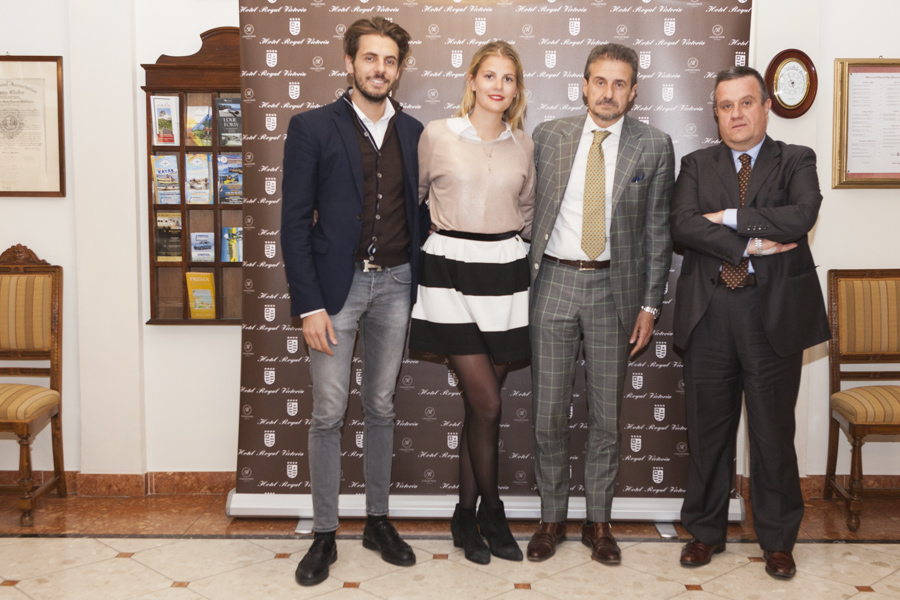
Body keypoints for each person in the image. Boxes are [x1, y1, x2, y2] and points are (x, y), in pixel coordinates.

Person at [280, 16, 428, 587]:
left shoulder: (414, 132)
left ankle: (377, 521)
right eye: (370, 58)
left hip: (396, 284)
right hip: (333, 292)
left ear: (399, 69)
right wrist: (308, 305)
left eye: (389, 60)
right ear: (349, 63)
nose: (379, 69)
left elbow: (421, 214)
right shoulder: (312, 127)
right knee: (328, 411)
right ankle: (324, 532)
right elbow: (294, 223)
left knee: (382, 405)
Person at [670, 66, 830, 579]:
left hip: (773, 315)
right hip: (710, 313)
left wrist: (727, 218)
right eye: (725, 106)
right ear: (715, 113)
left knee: (772, 435)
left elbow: (800, 216)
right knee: (708, 433)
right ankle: (705, 532)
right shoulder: (697, 164)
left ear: (765, 106)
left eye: (745, 102)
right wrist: (753, 244)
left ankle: (778, 541)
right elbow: (682, 225)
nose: (736, 114)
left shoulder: (796, 159)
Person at [527, 43, 675, 565]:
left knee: (607, 419)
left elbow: (658, 233)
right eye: (599, 81)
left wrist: (650, 307)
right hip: (553, 282)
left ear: (633, 92)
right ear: (584, 85)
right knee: (548, 414)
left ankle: (599, 522)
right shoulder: (548, 136)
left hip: (616, 292)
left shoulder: (654, 146)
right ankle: (551, 519)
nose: (608, 92)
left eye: (619, 84)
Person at [408, 41, 534, 565]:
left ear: (516, 88)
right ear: (472, 80)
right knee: (488, 404)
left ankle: (464, 515)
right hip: (449, 275)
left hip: (505, 275)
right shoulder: (437, 134)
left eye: (508, 78)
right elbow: (415, 198)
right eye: (490, 75)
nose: (498, 86)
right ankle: (494, 514)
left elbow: (527, 211)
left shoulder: (523, 144)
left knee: (479, 410)